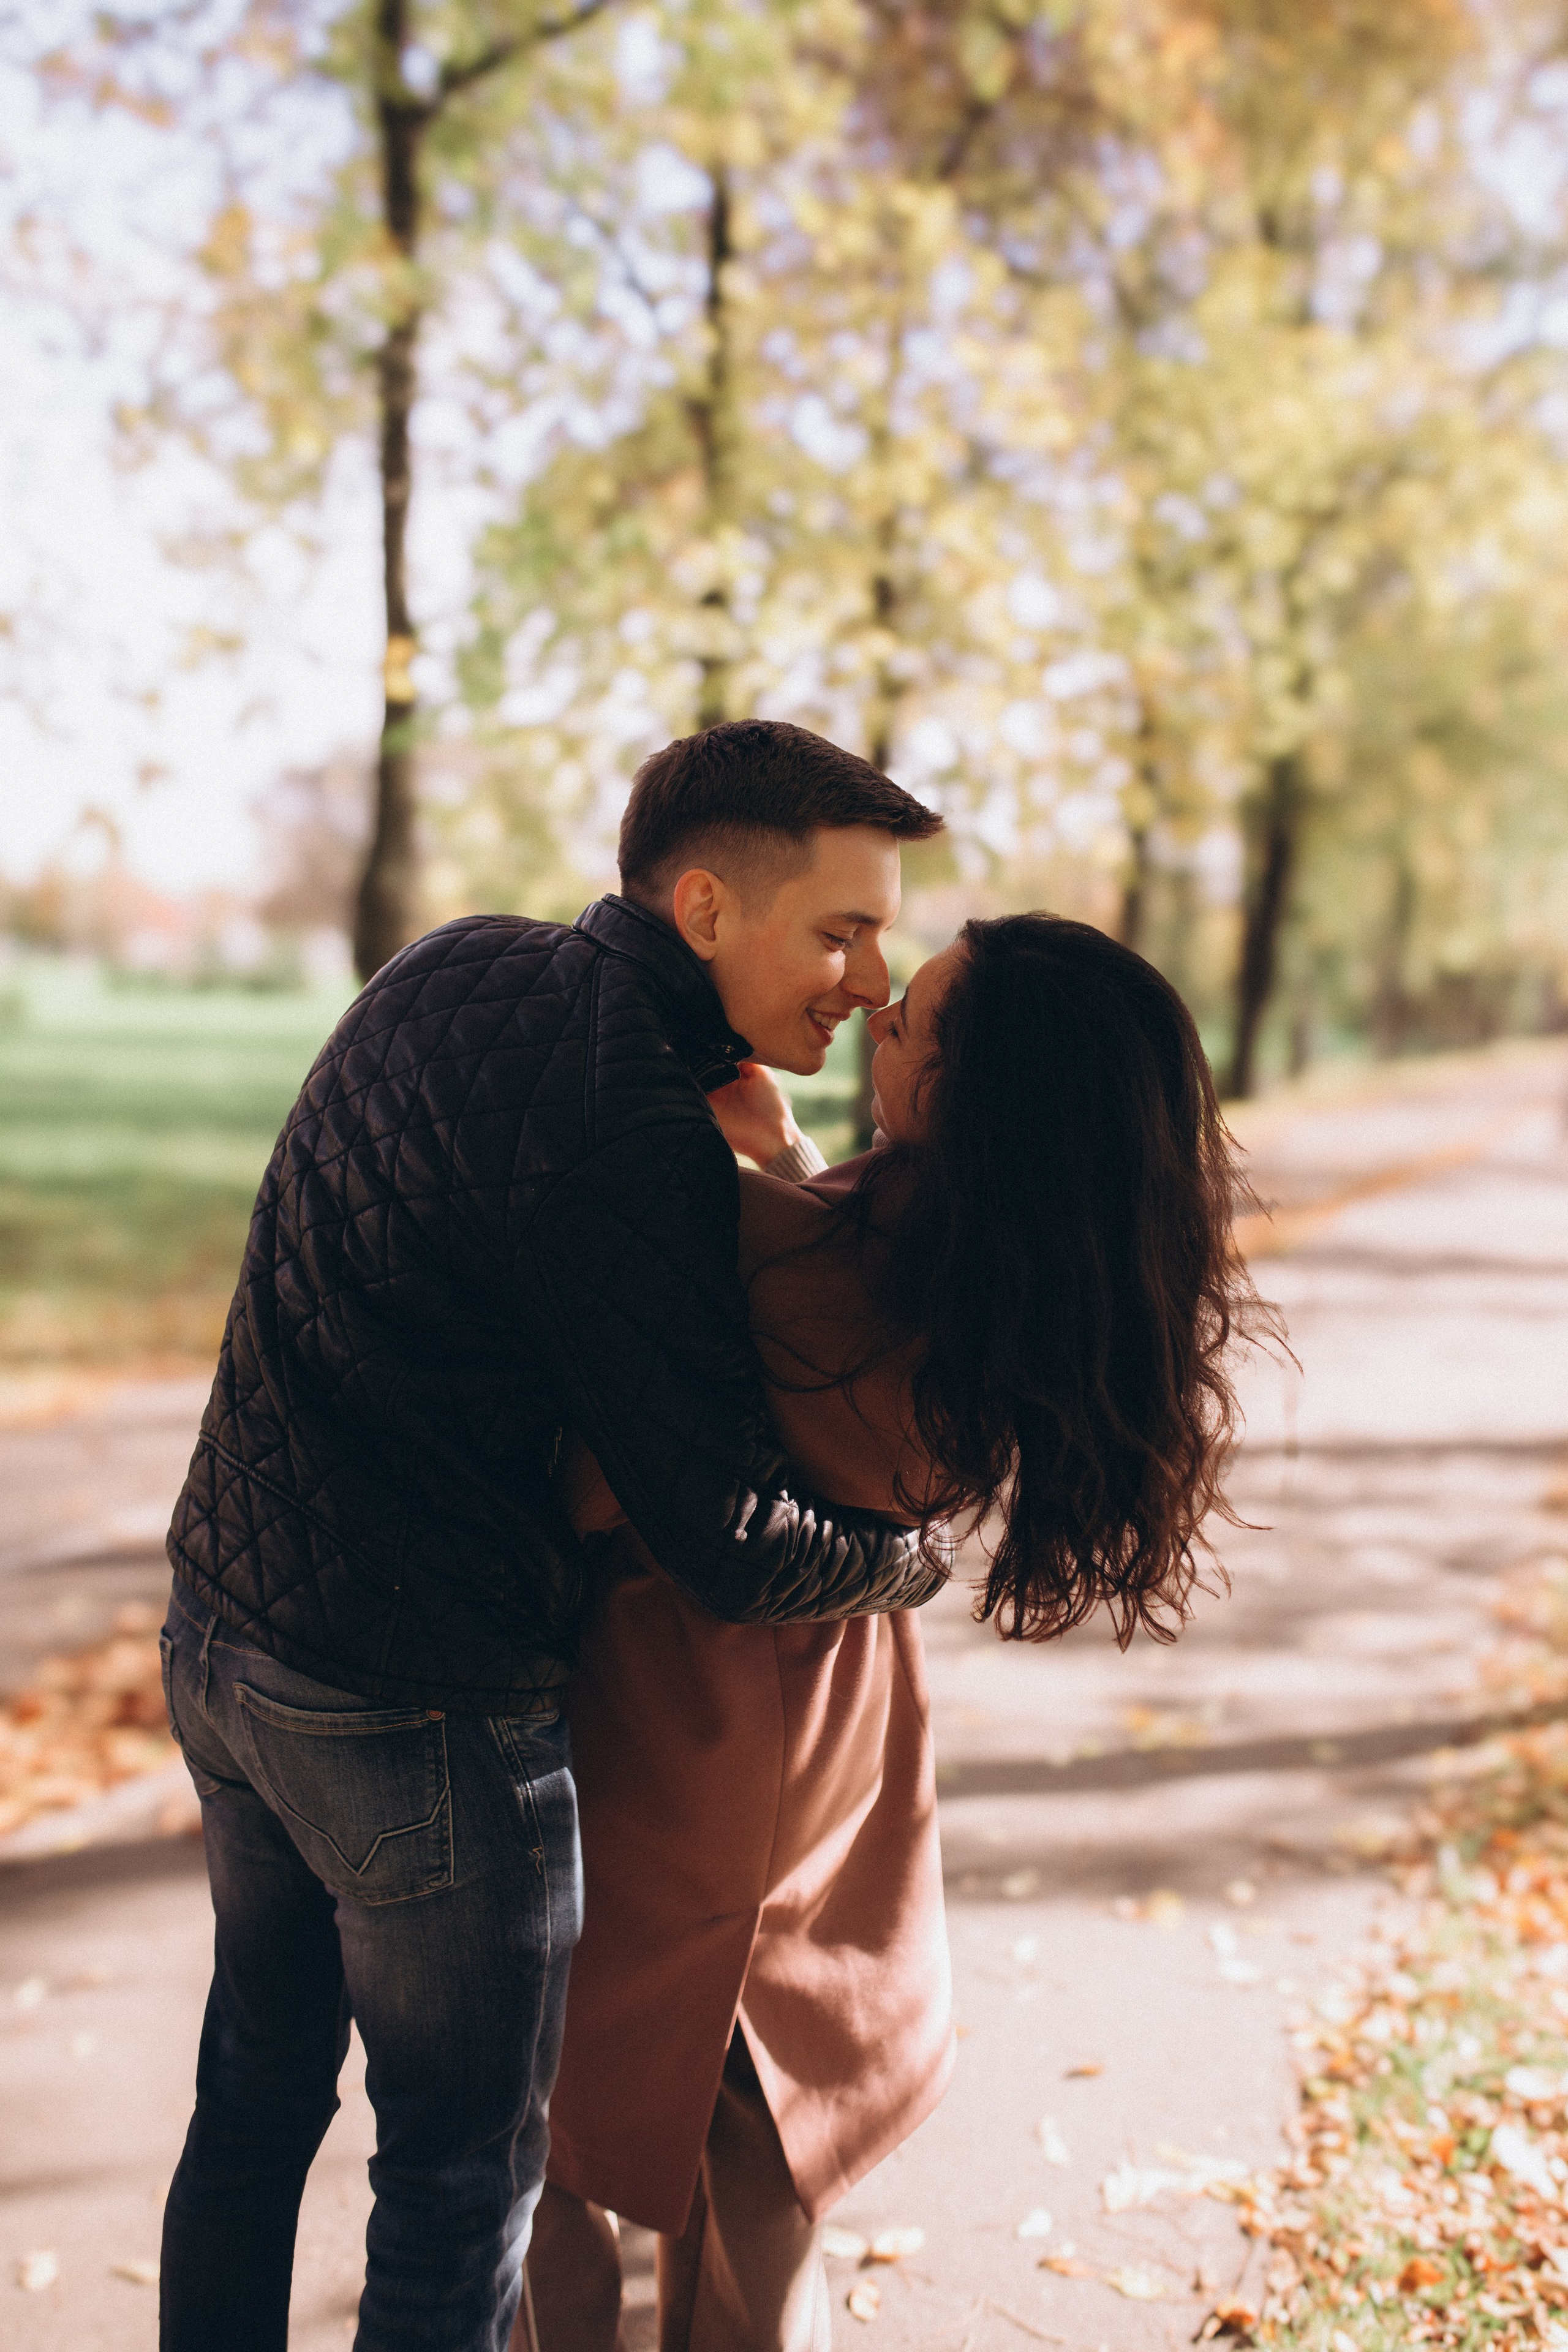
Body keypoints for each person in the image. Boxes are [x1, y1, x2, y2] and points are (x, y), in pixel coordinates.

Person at [155, 721, 951, 2352]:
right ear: (710, 909)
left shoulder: (450, 967)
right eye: (843, 928)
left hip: (224, 1637)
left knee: (252, 2101)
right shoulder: (633, 1132)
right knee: (460, 2181)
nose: (875, 978)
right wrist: (909, 1558)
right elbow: (726, 1537)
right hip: (414, 1705)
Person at [523, 913, 1271, 2352]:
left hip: (690, 1717)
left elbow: (698, 1366)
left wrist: (694, 1166)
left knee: (568, 2104)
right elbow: (848, 1302)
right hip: (826, 1729)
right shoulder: (997, 1257)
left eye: (914, 1020)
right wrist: (790, 1158)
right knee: (760, 2113)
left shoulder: (806, 1272)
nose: (879, 1020)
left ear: (980, 1090)